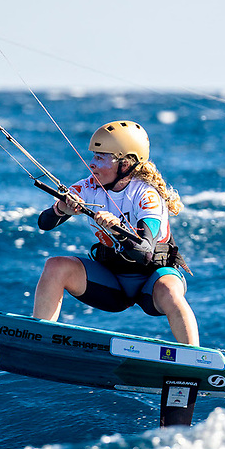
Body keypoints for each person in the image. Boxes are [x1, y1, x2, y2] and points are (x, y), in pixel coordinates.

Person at [32, 120, 200, 346]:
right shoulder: (88, 187)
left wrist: (117, 230)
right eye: (93, 156)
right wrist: (61, 208)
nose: (92, 164)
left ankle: (193, 356)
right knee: (56, 266)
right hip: (112, 282)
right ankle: (38, 341)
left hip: (152, 281)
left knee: (170, 290)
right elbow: (44, 223)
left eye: (101, 158)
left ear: (126, 163)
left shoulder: (146, 194)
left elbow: (146, 252)